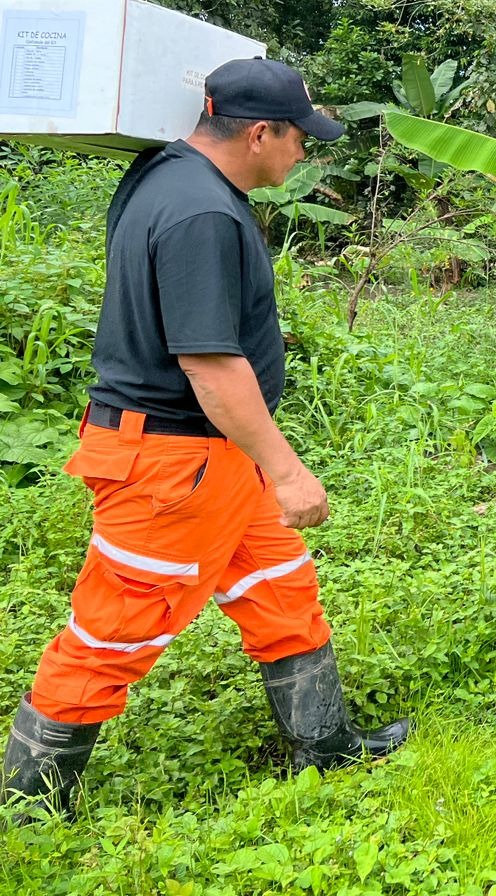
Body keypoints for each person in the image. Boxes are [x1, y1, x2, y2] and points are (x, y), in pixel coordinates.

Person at [2, 59, 408, 822]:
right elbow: (212, 366)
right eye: (299, 140)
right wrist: (287, 472)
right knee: (112, 633)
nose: (303, 156)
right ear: (260, 133)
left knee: (279, 587)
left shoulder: (162, 171)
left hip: (213, 459)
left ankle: (327, 747)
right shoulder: (205, 216)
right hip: (172, 465)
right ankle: (28, 812)